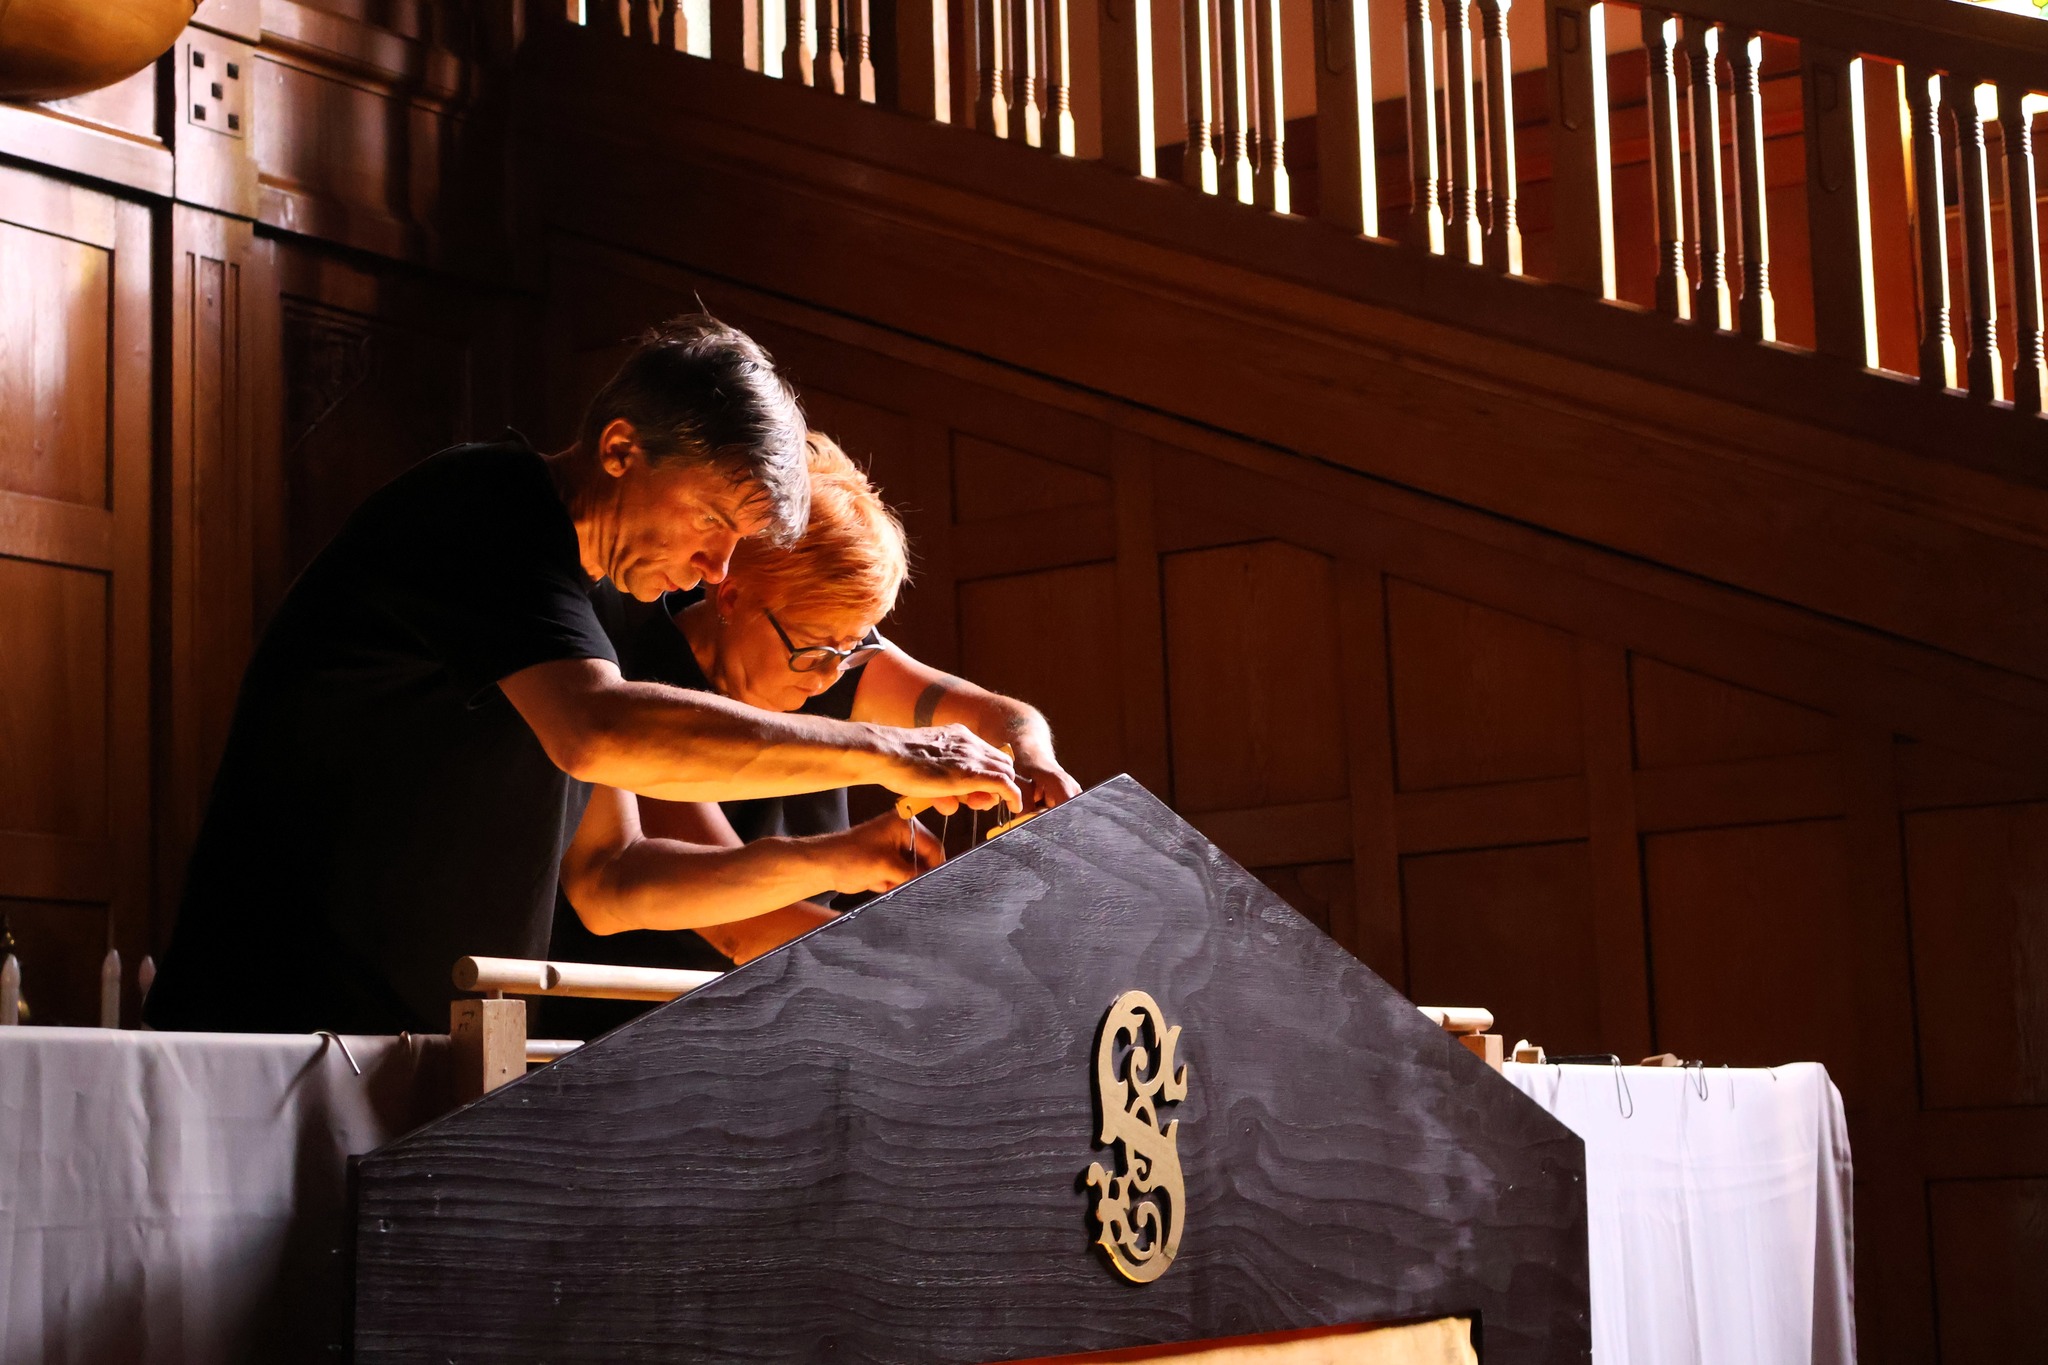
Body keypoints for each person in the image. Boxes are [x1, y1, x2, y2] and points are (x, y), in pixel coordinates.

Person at [146, 317, 1018, 1036]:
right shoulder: (488, 510)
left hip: (410, 1048)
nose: (717, 569)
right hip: (266, 1021)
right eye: (711, 521)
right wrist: (894, 752)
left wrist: (842, 854)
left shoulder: (598, 609)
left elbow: (613, 879)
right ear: (620, 448)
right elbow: (598, 730)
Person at [541, 434, 1081, 1036]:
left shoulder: (830, 659)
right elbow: (743, 931)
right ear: (733, 595)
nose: (828, 677)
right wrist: (935, 970)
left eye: (852, 649)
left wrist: (1030, 760)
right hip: (642, 1027)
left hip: (785, 1011)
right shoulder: (645, 682)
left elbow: (1001, 716)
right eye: (817, 649)